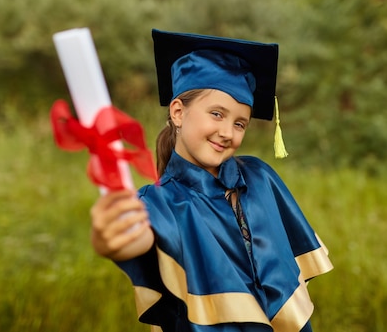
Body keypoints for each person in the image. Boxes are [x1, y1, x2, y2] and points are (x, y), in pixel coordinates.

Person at [90, 29, 333, 332]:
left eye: (239, 123)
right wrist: (110, 240)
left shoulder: (260, 178)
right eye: (216, 114)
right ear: (178, 112)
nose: (228, 132)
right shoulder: (159, 200)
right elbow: (139, 241)